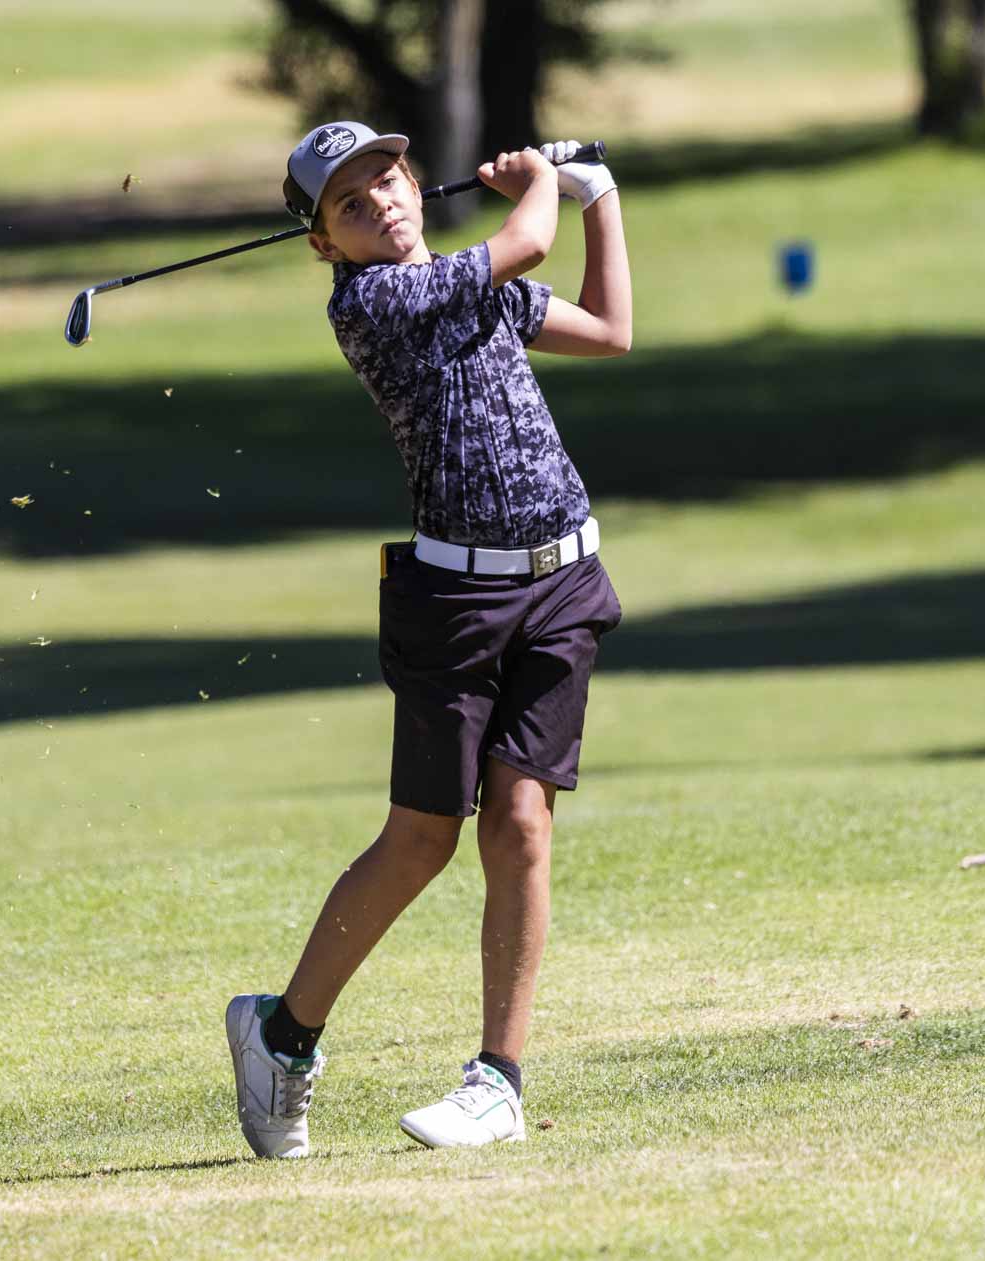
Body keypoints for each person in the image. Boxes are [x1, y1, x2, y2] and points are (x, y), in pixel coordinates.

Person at [226, 120, 631, 1158]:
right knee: (423, 834)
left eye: (391, 179)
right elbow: (523, 242)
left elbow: (610, 330)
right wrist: (540, 181)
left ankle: (498, 1081)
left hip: (562, 581)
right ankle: (283, 1033)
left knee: (524, 823)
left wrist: (599, 198)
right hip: (452, 603)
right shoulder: (374, 303)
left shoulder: (469, 286)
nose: (384, 204)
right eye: (351, 204)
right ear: (324, 243)